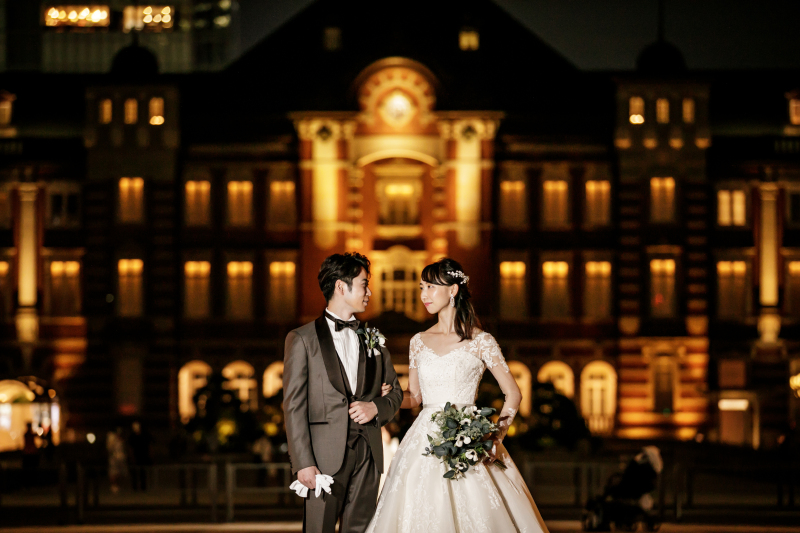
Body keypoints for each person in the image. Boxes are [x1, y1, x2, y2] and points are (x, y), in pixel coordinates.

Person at [367, 258, 550, 533]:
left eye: (430, 286)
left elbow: (513, 393)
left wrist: (495, 436)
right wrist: (389, 397)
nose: (423, 294)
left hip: (469, 439)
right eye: (421, 287)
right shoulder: (418, 341)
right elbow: (414, 398)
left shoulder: (481, 341)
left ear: (452, 290)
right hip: (423, 442)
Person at [283, 252, 403, 533]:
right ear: (340, 286)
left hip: (369, 455)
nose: (369, 292)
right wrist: (303, 463)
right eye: (364, 284)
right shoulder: (302, 339)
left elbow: (395, 392)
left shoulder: (374, 338)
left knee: (360, 529)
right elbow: (293, 406)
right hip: (323, 459)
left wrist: (377, 407)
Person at [107, 427, 127, 493]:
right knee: (113, 472)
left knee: (120, 472)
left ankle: (119, 485)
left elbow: (123, 448)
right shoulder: (111, 437)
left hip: (121, 458)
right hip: (114, 458)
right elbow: (109, 448)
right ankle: (114, 486)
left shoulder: (121, 439)